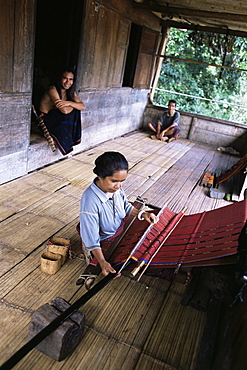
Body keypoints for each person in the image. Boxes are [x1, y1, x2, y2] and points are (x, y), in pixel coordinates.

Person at [77, 151, 159, 284]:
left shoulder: (116, 189)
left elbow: (125, 207)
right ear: (100, 176)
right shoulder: (90, 200)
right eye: (114, 181)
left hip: (119, 230)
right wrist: (102, 262)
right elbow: (91, 237)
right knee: (121, 265)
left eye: (122, 181)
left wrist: (143, 214)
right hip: (104, 240)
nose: (119, 185)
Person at [39, 66, 85, 155]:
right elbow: (64, 111)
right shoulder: (53, 89)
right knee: (72, 112)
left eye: (71, 79)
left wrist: (69, 103)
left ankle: (70, 140)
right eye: (65, 78)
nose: (68, 82)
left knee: (76, 111)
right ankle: (65, 142)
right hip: (45, 118)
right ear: (60, 78)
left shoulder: (70, 92)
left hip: (56, 116)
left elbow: (83, 106)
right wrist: (74, 105)